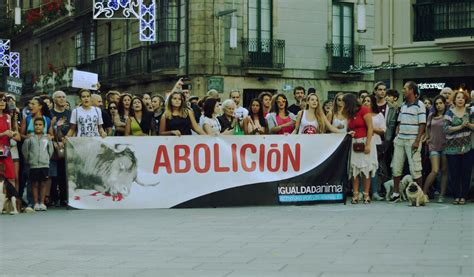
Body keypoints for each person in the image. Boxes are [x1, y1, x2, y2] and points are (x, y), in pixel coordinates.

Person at [389, 81, 426, 203]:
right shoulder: (403, 105)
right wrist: (397, 135)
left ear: (411, 90)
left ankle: (420, 194)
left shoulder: (420, 105)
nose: (403, 91)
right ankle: (396, 193)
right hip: (400, 139)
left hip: (412, 140)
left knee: (415, 167)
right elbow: (399, 122)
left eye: (405, 88)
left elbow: (422, 124)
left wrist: (417, 140)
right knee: (396, 165)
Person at [345, 93, 377, 204]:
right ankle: (355, 194)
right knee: (355, 169)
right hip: (354, 142)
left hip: (365, 141)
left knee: (366, 169)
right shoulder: (349, 113)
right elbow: (349, 127)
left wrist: (368, 144)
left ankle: (366, 194)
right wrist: (350, 132)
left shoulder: (364, 110)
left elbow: (370, 128)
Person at [444, 90, 473, 205]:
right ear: (454, 100)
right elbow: (446, 129)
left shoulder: (469, 111)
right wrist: (460, 127)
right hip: (452, 148)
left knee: (466, 173)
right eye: (458, 98)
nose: (460, 99)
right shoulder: (449, 113)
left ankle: (464, 197)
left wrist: (469, 125)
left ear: (465, 99)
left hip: (467, 147)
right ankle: (456, 196)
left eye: (462, 98)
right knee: (454, 173)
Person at [22, 117, 54, 211]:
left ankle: (42, 203)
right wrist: (29, 160)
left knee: (43, 183)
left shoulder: (47, 138)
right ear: (33, 126)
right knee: (34, 184)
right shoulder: (30, 138)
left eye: (40, 125)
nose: (38, 126)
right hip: (33, 164)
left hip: (44, 164)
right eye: (36, 125)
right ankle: (36, 203)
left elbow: (50, 151)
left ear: (44, 126)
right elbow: (25, 150)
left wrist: (46, 159)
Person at [423, 95, 448, 203]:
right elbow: (427, 128)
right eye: (436, 104)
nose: (438, 105)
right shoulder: (431, 115)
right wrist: (428, 138)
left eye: (440, 103)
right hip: (433, 146)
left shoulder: (448, 115)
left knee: (444, 171)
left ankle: (442, 195)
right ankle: (423, 193)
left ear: (444, 104)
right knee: (435, 170)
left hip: (446, 146)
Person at [362, 95, 386, 201]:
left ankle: (375, 191)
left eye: (369, 100)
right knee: (363, 167)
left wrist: (371, 128)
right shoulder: (360, 114)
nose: (367, 102)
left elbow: (383, 130)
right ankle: (363, 191)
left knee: (373, 167)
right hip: (363, 142)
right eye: (365, 101)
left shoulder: (379, 115)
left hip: (375, 142)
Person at [50, 90, 71, 207]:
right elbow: (48, 129)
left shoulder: (70, 113)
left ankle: (64, 198)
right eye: (59, 97)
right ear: (54, 100)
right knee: (54, 173)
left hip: (67, 144)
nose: (62, 99)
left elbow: (74, 128)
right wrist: (55, 140)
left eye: (64, 97)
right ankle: (53, 198)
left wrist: (66, 138)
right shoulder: (50, 113)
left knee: (65, 173)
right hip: (54, 145)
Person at [0, 93, 20, 191]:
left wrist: (12, 133)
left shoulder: (7, 116)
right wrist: (3, 134)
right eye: (0, 100)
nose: (2, 102)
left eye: (4, 100)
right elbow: (4, 133)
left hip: (6, 150)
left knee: (11, 177)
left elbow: (11, 131)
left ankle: (11, 203)